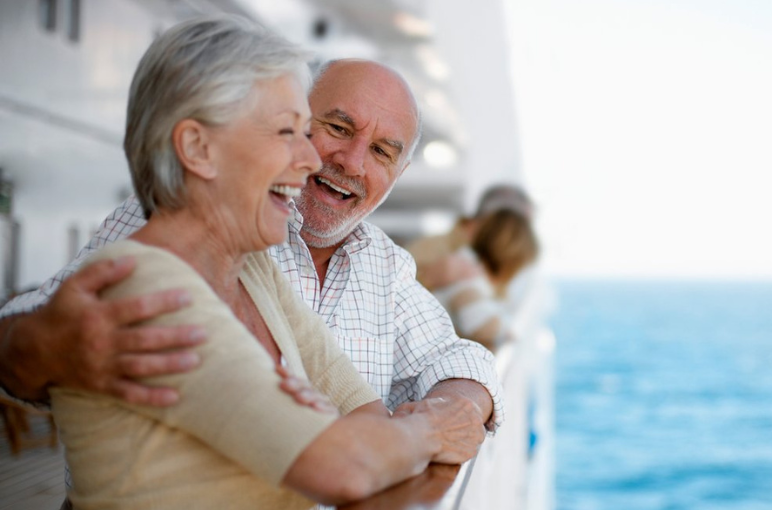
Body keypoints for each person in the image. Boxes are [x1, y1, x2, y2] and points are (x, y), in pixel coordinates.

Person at [44, 16, 481, 508]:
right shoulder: (152, 285)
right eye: (288, 131)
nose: (309, 158)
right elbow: (342, 465)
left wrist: (382, 436)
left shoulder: (251, 270)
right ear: (198, 149)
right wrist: (430, 428)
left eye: (380, 151)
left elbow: (364, 417)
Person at [0, 58, 501, 436]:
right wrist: (57, 344)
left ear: (398, 175)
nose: (350, 161)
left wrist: (452, 412)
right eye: (338, 128)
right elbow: (23, 340)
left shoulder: (384, 265)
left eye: (380, 151)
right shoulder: (184, 211)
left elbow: (451, 357)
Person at [423, 209, 539, 350]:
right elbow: (479, 324)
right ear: (512, 262)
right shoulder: (467, 271)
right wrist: (510, 332)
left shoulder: (469, 264)